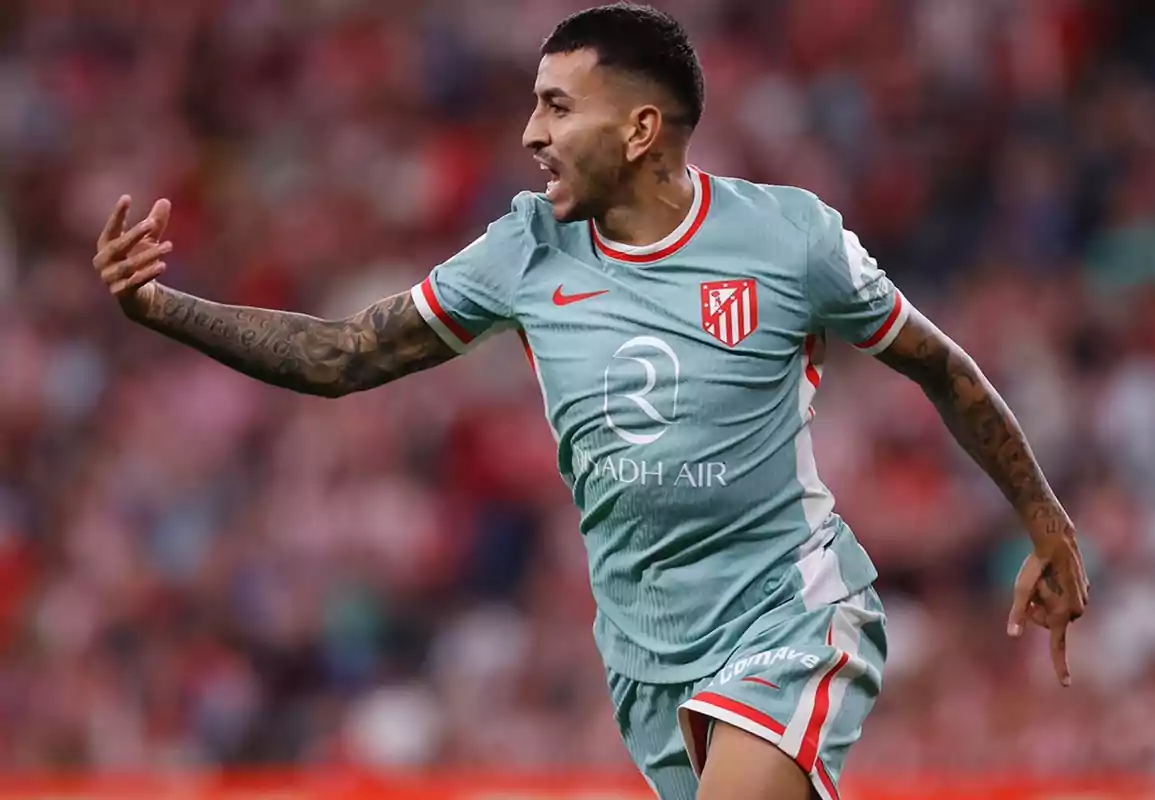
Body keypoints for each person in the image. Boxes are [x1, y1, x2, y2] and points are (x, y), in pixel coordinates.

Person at [91, 4, 1088, 798]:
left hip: (789, 615)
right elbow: (345, 354)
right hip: (645, 652)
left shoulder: (791, 239)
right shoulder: (523, 250)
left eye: (558, 106)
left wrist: (1045, 519)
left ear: (642, 126)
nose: (531, 133)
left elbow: (941, 365)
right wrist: (161, 307)